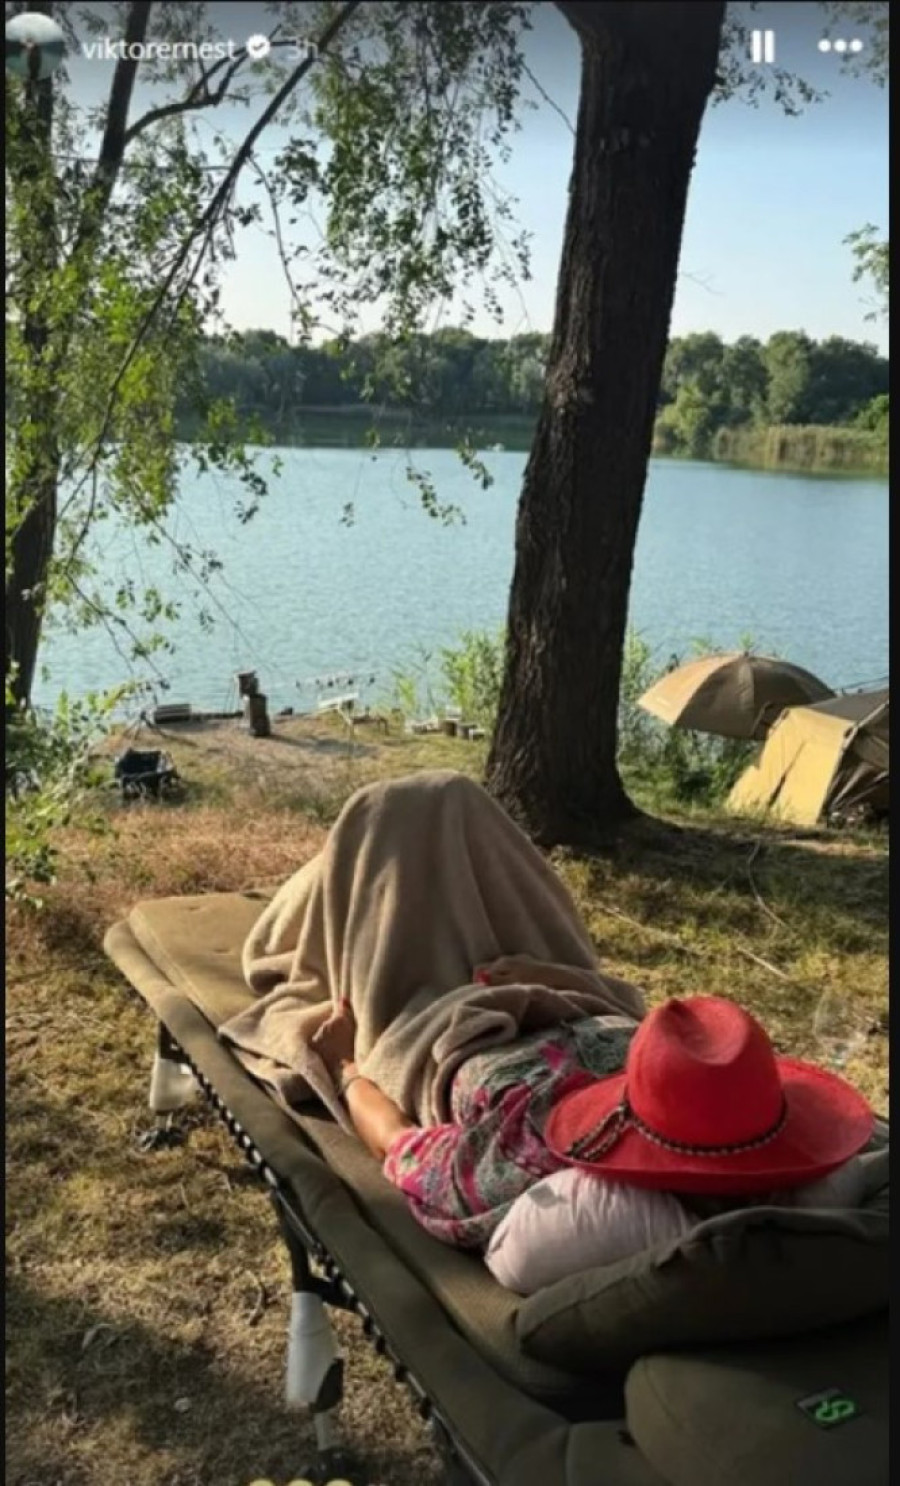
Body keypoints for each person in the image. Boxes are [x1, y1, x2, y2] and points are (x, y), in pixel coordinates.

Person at [312, 980, 874, 1251]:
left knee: (406, 826)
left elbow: (399, 1144)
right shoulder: (715, 1075)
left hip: (453, 1021)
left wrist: (345, 1066)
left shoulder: (530, 1152)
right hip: (571, 996)